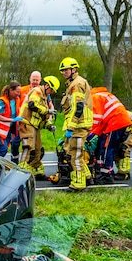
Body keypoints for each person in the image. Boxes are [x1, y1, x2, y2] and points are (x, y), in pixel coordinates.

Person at [59, 57, 93, 191]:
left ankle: (79, 184)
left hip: (78, 126)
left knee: (75, 155)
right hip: (77, 126)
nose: (63, 73)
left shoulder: (76, 84)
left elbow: (78, 107)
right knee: (73, 152)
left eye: (66, 70)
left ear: (74, 70)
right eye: (62, 71)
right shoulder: (73, 83)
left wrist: (71, 126)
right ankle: (87, 177)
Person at [89, 87, 132, 185]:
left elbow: (97, 119)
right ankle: (106, 170)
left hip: (114, 122)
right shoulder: (102, 94)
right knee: (108, 146)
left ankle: (106, 174)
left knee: (107, 147)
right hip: (119, 121)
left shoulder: (95, 97)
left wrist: (91, 134)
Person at [19, 74, 54, 179]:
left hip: (35, 126)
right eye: (51, 90)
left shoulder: (44, 96)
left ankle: (37, 170)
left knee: (39, 149)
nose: (51, 92)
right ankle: (21, 171)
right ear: (47, 86)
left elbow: (43, 116)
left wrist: (49, 125)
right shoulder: (37, 91)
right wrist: (47, 110)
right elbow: (32, 105)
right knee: (29, 148)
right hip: (27, 122)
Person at [0, 81, 22, 160]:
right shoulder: (2, 101)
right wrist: (12, 120)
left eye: (19, 92)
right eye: (17, 92)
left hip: (7, 131)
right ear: (11, 90)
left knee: (1, 150)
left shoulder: (17, 99)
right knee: (3, 149)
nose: (18, 94)